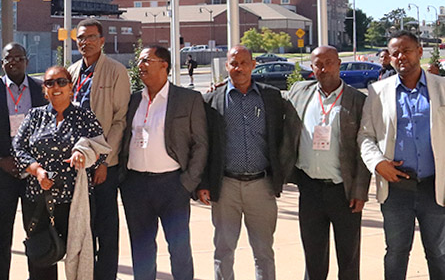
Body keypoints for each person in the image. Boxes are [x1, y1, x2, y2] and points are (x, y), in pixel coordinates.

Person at [359, 30, 445, 280]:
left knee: (439, 252)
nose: (401, 57)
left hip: (436, 188)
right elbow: (365, 137)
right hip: (396, 188)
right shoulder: (377, 92)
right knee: (396, 253)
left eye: (406, 51)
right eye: (395, 53)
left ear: (419, 52)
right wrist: (378, 164)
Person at [196, 45, 296, 280]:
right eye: (233, 63)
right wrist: (203, 183)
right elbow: (204, 144)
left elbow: (284, 136)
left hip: (261, 186)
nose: (238, 68)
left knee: (263, 251)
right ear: (227, 66)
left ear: (253, 65)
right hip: (225, 187)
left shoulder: (271, 97)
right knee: (224, 250)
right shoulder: (211, 100)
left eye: (243, 63)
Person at [119, 46, 208, 280]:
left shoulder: (187, 99)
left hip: (173, 186)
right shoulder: (133, 100)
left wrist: (188, 182)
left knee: (179, 250)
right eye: (139, 61)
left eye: (147, 60)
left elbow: (201, 143)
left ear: (164, 64)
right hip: (136, 186)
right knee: (141, 250)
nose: (140, 66)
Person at [14, 66, 110, 280]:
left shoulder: (85, 117)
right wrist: (37, 170)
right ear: (44, 90)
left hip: (73, 202)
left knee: (78, 259)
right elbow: (18, 149)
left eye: (61, 82)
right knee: (41, 261)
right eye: (49, 83)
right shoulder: (34, 116)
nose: (55, 87)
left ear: (71, 87)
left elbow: (101, 150)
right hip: (38, 202)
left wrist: (84, 154)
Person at [286, 46, 370, 280]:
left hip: (344, 191)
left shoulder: (357, 100)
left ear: (339, 64)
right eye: (317, 64)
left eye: (329, 62)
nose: (323, 68)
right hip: (309, 188)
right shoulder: (298, 92)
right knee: (313, 258)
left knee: (349, 258)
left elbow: (364, 149)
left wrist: (360, 191)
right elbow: (270, 102)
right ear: (311, 68)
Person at [65, 19, 130, 280]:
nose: (85, 42)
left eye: (91, 37)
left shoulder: (115, 71)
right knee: (80, 227)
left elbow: (119, 120)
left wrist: (103, 160)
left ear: (102, 41)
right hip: (76, 162)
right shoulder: (71, 72)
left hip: (104, 164)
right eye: (81, 38)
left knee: (105, 227)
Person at [0, 42, 47, 280]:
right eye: (8, 58)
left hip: (34, 174)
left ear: (26, 61)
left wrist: (35, 164)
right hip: (2, 174)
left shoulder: (41, 90)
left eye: (18, 57)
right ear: (2, 63)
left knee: (38, 232)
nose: (13, 62)